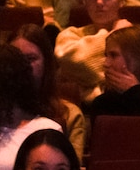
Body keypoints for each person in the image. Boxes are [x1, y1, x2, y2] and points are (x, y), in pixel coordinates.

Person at [54, 0, 132, 103]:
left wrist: (86, 82)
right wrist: (116, 35)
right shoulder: (69, 36)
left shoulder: (138, 36)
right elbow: (80, 61)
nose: (99, 2)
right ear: (84, 0)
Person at [9, 24, 86, 161]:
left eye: (31, 59)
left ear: (46, 63)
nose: (22, 66)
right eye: (15, 59)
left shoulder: (69, 115)